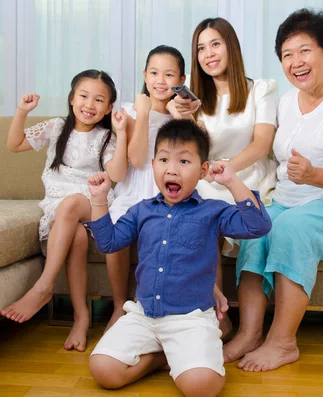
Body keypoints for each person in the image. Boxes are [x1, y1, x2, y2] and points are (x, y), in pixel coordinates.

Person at [225, 8, 323, 371]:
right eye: (287, 54)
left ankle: (282, 343)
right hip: (289, 201)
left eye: (305, 50)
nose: (296, 62)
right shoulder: (285, 103)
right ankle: (250, 333)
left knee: (291, 229)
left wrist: (317, 176)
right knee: (254, 230)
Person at [84, 119, 271, 397]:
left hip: (191, 319)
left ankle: (180, 357)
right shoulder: (141, 211)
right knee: (102, 370)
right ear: (153, 164)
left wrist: (231, 180)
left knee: (201, 388)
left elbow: (258, 226)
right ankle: (164, 358)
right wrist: (99, 200)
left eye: (184, 161)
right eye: (163, 160)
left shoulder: (213, 211)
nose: (171, 168)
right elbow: (108, 243)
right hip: (143, 316)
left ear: (204, 169)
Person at [1, 70, 128, 352]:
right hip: (57, 204)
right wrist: (22, 111)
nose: (89, 104)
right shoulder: (57, 127)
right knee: (78, 239)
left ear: (109, 107)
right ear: (72, 99)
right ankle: (81, 318)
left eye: (99, 100)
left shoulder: (107, 137)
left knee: (71, 203)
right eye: (84, 96)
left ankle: (44, 287)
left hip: (91, 201)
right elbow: (14, 144)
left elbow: (117, 173)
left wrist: (121, 133)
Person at [171, 17, 278, 335]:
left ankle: (241, 323)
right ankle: (216, 318)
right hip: (209, 176)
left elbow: (262, 143)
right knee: (203, 217)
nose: (208, 53)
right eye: (201, 48)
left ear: (231, 46)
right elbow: (199, 151)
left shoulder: (260, 89)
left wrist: (229, 169)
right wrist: (186, 119)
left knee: (219, 209)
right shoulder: (194, 100)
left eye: (215, 43)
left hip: (248, 176)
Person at [104, 45, 187, 331]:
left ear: (182, 79)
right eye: (153, 73)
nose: (160, 80)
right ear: (144, 74)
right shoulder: (129, 110)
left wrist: (179, 118)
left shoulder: (181, 115)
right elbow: (137, 158)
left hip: (164, 194)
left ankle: (150, 309)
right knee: (116, 226)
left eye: (168, 74)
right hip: (132, 192)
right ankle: (118, 306)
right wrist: (142, 114)